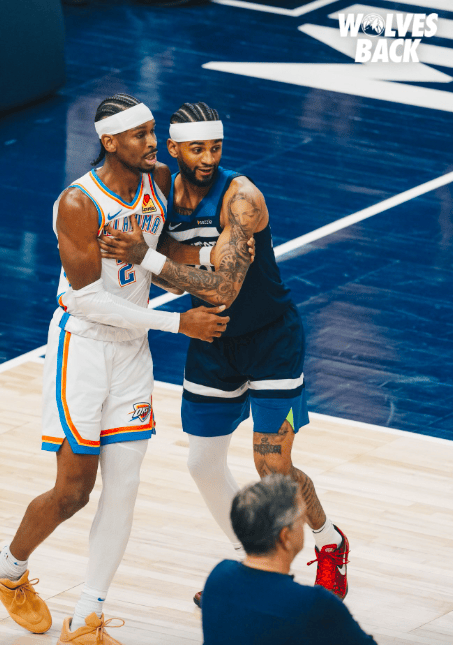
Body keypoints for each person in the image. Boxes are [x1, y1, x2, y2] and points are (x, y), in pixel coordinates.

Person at [0, 93, 229, 645]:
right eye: (140, 135)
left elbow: (163, 254)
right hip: (83, 349)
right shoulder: (78, 203)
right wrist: (177, 324)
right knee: (74, 491)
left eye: (152, 132)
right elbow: (88, 300)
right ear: (110, 141)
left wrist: (208, 259)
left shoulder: (157, 180)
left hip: (132, 353)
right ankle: (7, 568)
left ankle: (86, 618)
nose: (152, 143)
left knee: (125, 487)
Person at [98, 102, 350, 606]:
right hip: (212, 339)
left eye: (216, 147)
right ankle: (251, 562)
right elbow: (169, 272)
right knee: (202, 463)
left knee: (272, 465)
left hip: (270, 338)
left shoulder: (242, 198)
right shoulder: (160, 193)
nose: (209, 158)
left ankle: (330, 542)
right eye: (197, 149)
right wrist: (185, 256)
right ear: (173, 149)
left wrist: (149, 255)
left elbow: (223, 289)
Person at [201, 475, 376, 645]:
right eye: (301, 518)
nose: (304, 523)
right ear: (285, 537)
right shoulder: (315, 605)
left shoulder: (218, 577)